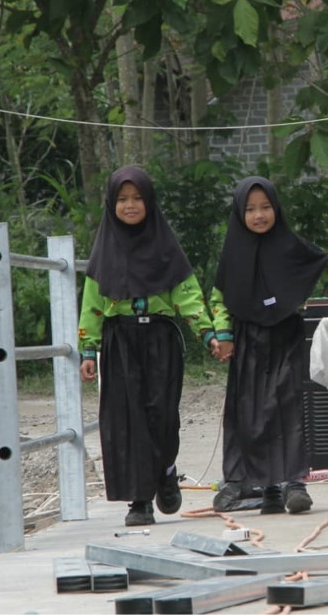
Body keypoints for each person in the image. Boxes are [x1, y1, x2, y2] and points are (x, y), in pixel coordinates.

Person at [78, 166, 219, 527]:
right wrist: (88, 349)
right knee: (127, 420)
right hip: (120, 340)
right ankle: (139, 500)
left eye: (137, 198)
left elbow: (187, 295)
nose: (130, 205)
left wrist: (208, 333)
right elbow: (92, 302)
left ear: (149, 202)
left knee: (162, 416)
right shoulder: (104, 252)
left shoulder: (165, 246)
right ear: (112, 204)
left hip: (160, 339)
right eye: (122, 199)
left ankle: (165, 471)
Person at [210, 177, 328, 514]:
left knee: (287, 405)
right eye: (250, 209)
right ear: (238, 213)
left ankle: (294, 482)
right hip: (247, 339)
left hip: (286, 335)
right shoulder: (233, 253)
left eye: (266, 207)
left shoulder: (290, 247)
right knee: (248, 412)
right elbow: (219, 295)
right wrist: (223, 334)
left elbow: (319, 263)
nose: (259, 215)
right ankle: (264, 487)